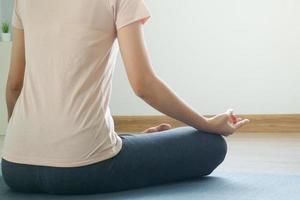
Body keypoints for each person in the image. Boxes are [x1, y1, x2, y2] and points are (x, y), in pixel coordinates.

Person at [1, 0, 250, 195]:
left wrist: (23, 146)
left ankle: (136, 142)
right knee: (212, 145)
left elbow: (14, 85)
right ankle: (136, 145)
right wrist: (205, 123)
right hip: (81, 170)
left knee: (114, 143)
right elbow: (144, 85)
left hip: (14, 168)